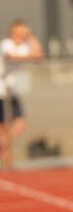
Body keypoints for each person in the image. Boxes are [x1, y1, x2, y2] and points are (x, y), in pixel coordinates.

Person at [0, 19, 43, 169]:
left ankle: (5, 153)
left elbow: (38, 55)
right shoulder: (6, 44)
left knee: (19, 124)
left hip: (13, 92)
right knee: (4, 128)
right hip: (2, 92)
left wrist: (30, 36)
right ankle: (8, 165)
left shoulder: (24, 46)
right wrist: (29, 55)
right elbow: (11, 57)